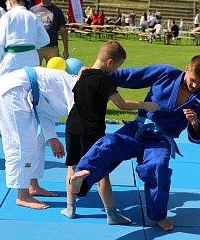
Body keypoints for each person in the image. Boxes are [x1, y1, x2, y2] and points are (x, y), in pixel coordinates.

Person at [70, 55, 200, 231]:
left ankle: (158, 215)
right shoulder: (166, 73)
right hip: (139, 128)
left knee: (158, 168)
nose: (195, 86)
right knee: (109, 143)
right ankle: (81, 182)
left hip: (161, 139)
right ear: (187, 69)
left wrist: (195, 124)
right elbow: (132, 75)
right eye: (192, 80)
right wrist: (95, 74)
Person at [61, 41, 158, 223]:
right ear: (110, 62)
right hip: (92, 130)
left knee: (73, 167)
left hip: (72, 127)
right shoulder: (103, 80)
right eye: (117, 66)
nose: (116, 71)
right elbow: (121, 104)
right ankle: (111, 214)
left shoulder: (83, 74)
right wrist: (145, 105)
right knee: (100, 169)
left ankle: (70, 208)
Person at [0, 66, 78, 209]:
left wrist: (52, 137)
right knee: (22, 144)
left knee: (37, 142)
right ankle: (22, 195)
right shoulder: (77, 92)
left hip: (27, 93)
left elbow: (46, 109)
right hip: (13, 92)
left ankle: (33, 185)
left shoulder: (75, 86)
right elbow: (76, 124)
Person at [0, 0, 49, 135]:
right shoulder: (32, 16)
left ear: (10, 2)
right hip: (31, 56)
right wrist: (31, 44)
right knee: (31, 87)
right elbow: (45, 39)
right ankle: (36, 120)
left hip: (12, 57)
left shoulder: (7, 16)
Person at [30, 0, 69, 65]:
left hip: (52, 48)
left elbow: (63, 31)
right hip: (37, 48)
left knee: (53, 73)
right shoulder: (33, 10)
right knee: (35, 71)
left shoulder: (57, 10)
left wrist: (66, 49)